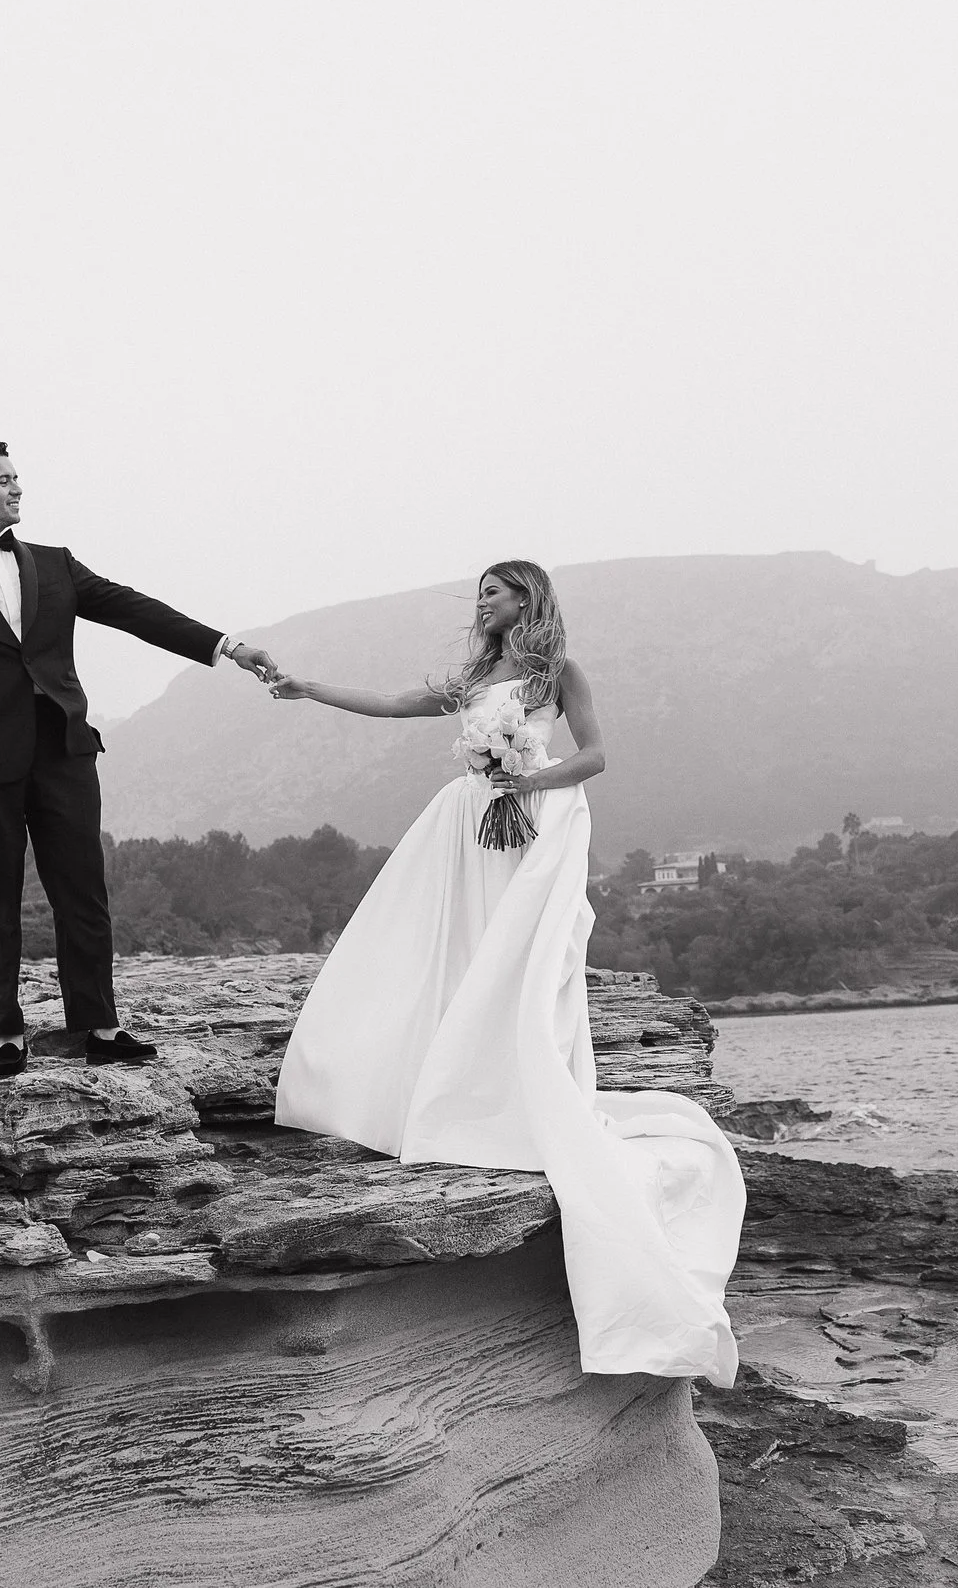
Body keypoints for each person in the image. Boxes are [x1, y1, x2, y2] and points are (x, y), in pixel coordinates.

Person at [265, 561, 741, 1384]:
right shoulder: (476, 674)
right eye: (479, 589)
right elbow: (393, 704)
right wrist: (307, 687)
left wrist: (530, 776)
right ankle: (431, 1080)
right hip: (472, 817)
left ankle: (514, 1085)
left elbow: (594, 756)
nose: (481, 599)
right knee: (451, 950)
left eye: (495, 588)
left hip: (538, 820)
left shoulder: (560, 672)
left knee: (522, 961)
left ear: (527, 597)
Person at [0, 438, 279, 1079]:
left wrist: (224, 646)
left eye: (19, 477)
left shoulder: (55, 565)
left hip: (66, 753)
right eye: (3, 480)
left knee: (83, 892)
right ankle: (9, 1034)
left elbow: (135, 611)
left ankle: (98, 1026)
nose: (18, 488)